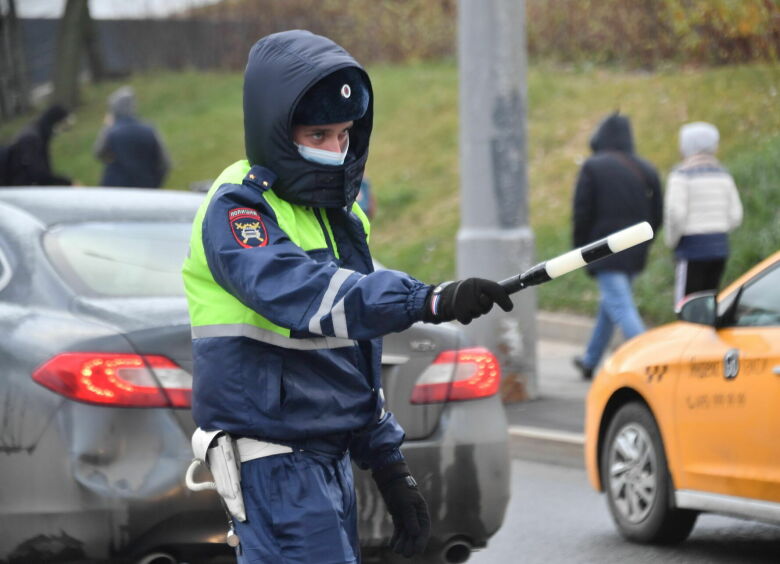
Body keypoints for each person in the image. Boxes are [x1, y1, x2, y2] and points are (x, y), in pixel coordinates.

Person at [181, 30, 513, 563]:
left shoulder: (337, 216)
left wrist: (389, 465)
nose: (336, 150)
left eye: (344, 134)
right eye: (318, 133)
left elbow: (351, 353)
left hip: (325, 463)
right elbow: (308, 297)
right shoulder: (240, 210)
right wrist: (425, 300)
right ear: (275, 130)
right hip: (276, 464)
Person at [571, 112, 663, 380]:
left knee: (620, 306)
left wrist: (580, 251)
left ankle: (652, 361)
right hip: (635, 250)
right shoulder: (646, 168)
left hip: (603, 249)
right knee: (611, 304)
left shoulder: (593, 167)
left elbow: (582, 212)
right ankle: (590, 359)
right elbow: (657, 214)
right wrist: (645, 241)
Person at [664, 122, 742, 306]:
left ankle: (688, 334)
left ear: (686, 146)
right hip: (720, 248)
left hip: (691, 249)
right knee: (708, 303)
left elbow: (675, 214)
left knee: (686, 305)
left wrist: (671, 241)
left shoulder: (681, 175)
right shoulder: (723, 175)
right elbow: (736, 216)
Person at [93, 86, 170, 188]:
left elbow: (98, 152)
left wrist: (106, 126)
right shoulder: (150, 130)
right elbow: (164, 163)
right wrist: (155, 183)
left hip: (114, 188)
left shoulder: (111, 131)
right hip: (145, 188)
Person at [2, 104, 73, 186]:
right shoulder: (31, 139)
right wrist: (66, 182)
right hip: (19, 189)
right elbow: (39, 175)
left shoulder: (39, 134)